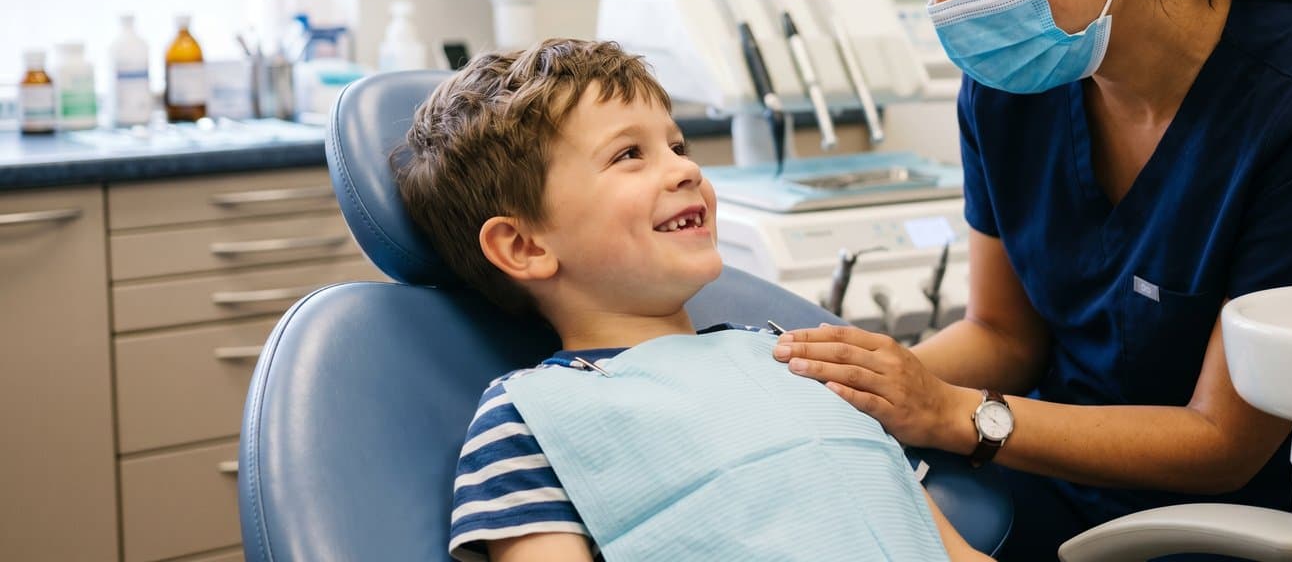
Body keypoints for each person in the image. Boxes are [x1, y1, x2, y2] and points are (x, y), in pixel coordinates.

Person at [772, 0, 1292, 558]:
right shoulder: (1008, 86)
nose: (944, 3)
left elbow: (1222, 440)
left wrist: (953, 413)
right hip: (1038, 475)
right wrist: (859, 387)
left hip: (1213, 523)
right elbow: (1002, 334)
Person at [395, 38, 992, 562]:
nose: (684, 171)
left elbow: (950, 549)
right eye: (629, 154)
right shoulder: (529, 420)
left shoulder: (798, 362)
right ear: (524, 246)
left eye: (678, 146)